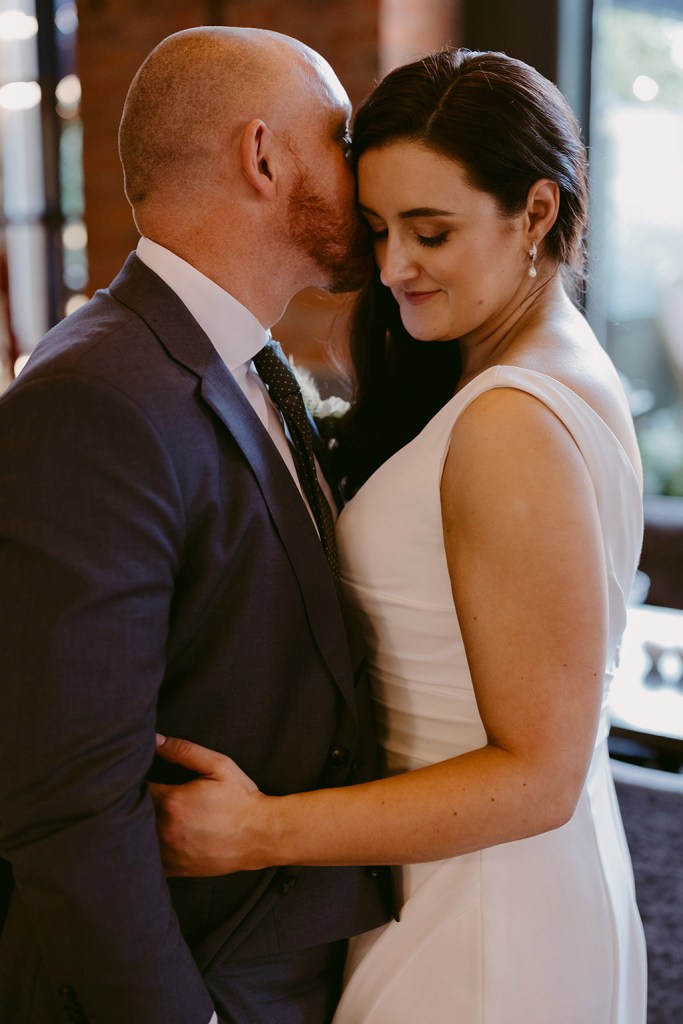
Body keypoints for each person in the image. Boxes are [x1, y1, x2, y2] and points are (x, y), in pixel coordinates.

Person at [150, 48, 648, 1023]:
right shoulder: (549, 360)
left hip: (482, 915)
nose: (389, 268)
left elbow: (536, 776)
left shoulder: (510, 422)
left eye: (430, 231)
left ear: (536, 212)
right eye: (377, 229)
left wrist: (259, 832)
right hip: (484, 879)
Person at [0, 26, 395, 1024]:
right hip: (188, 983)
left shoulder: (255, 368)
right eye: (339, 139)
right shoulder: (94, 394)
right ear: (263, 155)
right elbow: (68, 804)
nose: (364, 172)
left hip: (280, 962)